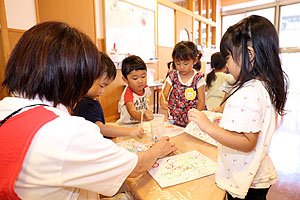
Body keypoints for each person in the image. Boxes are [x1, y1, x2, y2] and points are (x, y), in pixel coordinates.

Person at [0, 21, 176, 200]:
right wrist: (158, 149)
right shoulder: (66, 132)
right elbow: (135, 167)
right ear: (73, 77)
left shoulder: (6, 110)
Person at [188, 15, 288, 200]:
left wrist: (208, 126)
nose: (226, 65)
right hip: (256, 173)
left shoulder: (249, 92)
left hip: (247, 179)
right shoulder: (262, 85)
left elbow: (247, 142)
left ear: (249, 55)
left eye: (228, 58)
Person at [73, 52, 143, 138]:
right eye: (101, 86)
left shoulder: (92, 100)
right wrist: (129, 131)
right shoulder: (85, 104)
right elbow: (100, 128)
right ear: (87, 78)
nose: (102, 91)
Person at [161, 41, 206, 127]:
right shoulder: (172, 76)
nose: (181, 67)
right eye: (177, 63)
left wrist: (194, 119)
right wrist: (162, 101)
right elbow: (164, 95)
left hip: (192, 119)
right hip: (174, 117)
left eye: (185, 64)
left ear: (195, 60)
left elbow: (201, 101)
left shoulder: (198, 78)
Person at [117, 55, 154, 124]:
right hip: (127, 126)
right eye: (135, 78)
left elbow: (147, 103)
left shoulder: (146, 88)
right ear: (125, 80)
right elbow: (132, 112)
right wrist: (144, 117)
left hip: (140, 124)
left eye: (143, 76)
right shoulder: (128, 93)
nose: (140, 81)